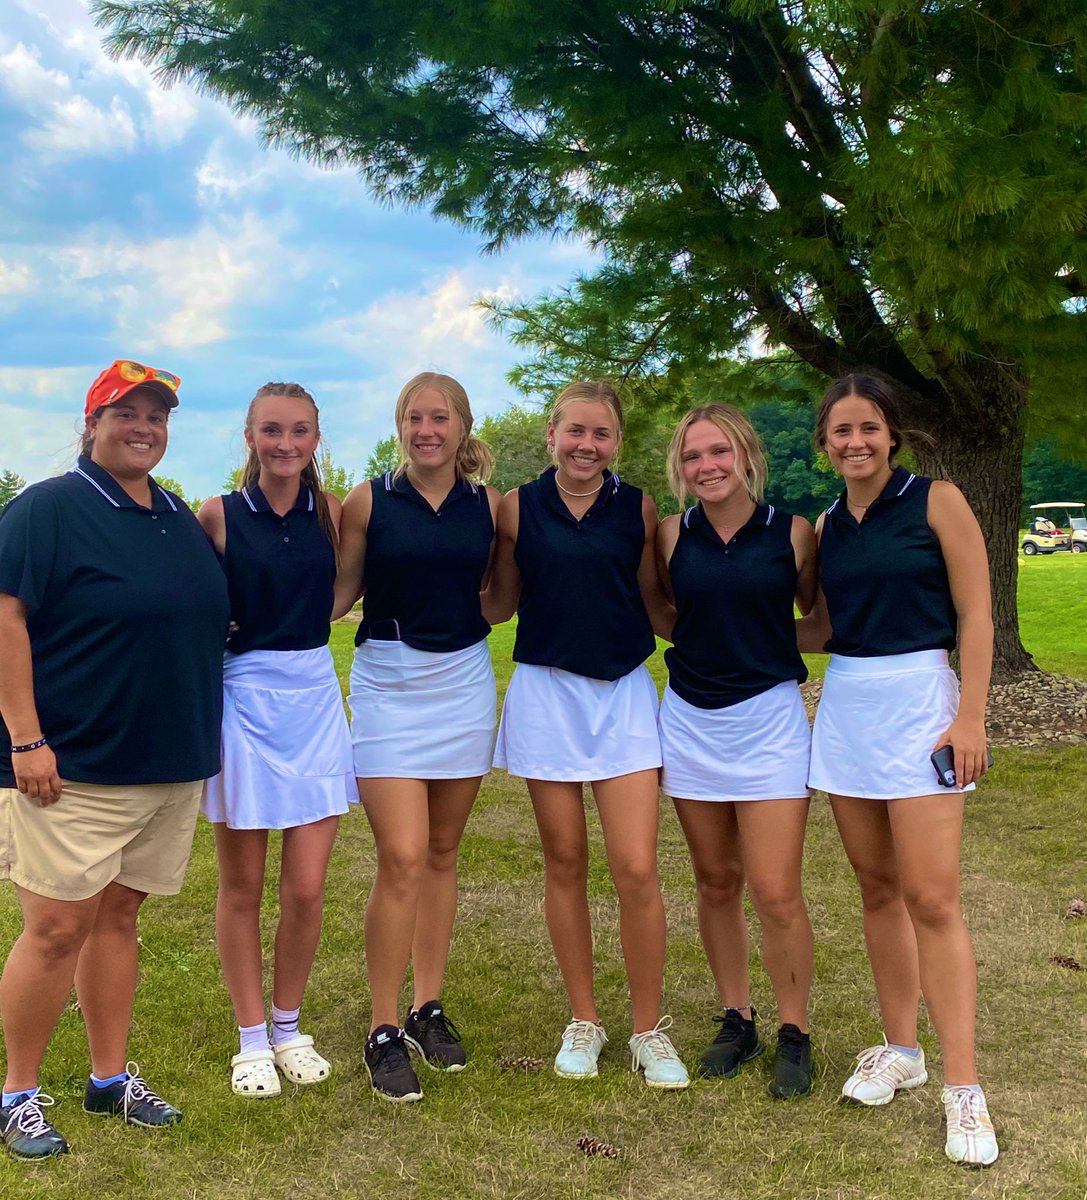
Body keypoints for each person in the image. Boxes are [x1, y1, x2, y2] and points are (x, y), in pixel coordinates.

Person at [0, 360, 229, 1160]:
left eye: (156, 415)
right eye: (125, 413)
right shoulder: (49, 508)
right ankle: (17, 1094)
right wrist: (25, 736)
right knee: (58, 927)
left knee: (119, 919)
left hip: (167, 764)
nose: (144, 427)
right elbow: (6, 618)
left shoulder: (170, 510)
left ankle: (107, 1080)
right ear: (92, 423)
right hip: (72, 767)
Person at [801, 373, 997, 1166]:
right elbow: (817, 625)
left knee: (931, 896)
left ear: (892, 435)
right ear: (824, 445)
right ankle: (900, 1049)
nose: (855, 443)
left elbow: (976, 612)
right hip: (847, 706)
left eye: (868, 429)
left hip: (922, 703)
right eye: (840, 432)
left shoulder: (937, 500)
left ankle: (963, 1089)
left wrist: (970, 714)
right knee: (876, 888)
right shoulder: (825, 524)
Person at [485, 380, 688, 1090]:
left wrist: (730, 640)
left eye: (600, 435)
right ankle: (583, 1019)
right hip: (545, 694)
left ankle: (646, 1029)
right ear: (551, 433)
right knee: (564, 860)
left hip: (622, 696)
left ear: (616, 444)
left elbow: (653, 600)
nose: (585, 445)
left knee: (635, 867)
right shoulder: (514, 507)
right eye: (575, 431)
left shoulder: (635, 506)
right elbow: (498, 599)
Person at [333, 372, 500, 1103]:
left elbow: (503, 595)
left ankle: (426, 1004)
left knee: (439, 853)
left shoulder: (490, 505)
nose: (425, 429)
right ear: (398, 425)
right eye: (412, 417)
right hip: (387, 685)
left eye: (439, 417)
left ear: (463, 427)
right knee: (400, 855)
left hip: (462, 684)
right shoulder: (368, 499)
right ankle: (380, 1028)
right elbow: (338, 594)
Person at [197, 383, 355, 1100]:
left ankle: (290, 1027)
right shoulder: (218, 515)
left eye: (298, 432)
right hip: (243, 700)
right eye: (270, 431)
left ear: (316, 439)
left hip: (314, 696)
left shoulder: (333, 513)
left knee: (308, 886)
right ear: (250, 436)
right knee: (243, 886)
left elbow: (340, 595)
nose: (284, 444)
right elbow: (192, 603)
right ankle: (251, 1037)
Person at [656, 404, 818, 1099]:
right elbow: (659, 612)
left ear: (746, 454)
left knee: (776, 889)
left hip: (769, 722)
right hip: (690, 720)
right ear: (680, 469)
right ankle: (736, 1016)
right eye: (693, 457)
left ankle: (793, 1030)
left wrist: (767, 646)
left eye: (718, 451)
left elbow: (819, 616)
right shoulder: (668, 534)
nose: (707, 466)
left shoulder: (794, 533)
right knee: (716, 881)